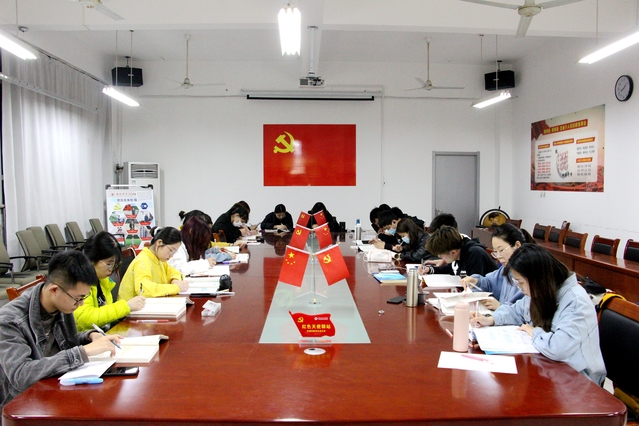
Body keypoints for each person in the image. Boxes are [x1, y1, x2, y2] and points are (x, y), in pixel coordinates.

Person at [0, 251, 122, 408]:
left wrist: (90, 336)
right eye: (78, 298)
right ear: (54, 290)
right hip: (24, 404)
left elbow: (65, 342)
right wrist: (83, 352)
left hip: (56, 388)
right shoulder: (9, 321)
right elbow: (21, 375)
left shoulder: (61, 303)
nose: (80, 304)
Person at [471, 244, 606, 385]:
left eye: (521, 283)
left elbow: (557, 348)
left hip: (578, 381)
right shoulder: (542, 290)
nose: (521, 289)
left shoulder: (576, 302)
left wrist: (534, 332)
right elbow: (516, 310)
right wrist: (491, 319)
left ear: (538, 278)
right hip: (549, 369)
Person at [74, 232, 146, 331]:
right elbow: (86, 318)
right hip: (86, 337)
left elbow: (106, 315)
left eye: (115, 264)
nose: (111, 269)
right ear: (91, 260)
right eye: (109, 264)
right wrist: (126, 306)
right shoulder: (79, 281)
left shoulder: (103, 280)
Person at [460, 224, 532, 310]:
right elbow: (490, 283)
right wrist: (476, 281)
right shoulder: (505, 269)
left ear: (517, 245)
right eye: (495, 252)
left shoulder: (528, 273)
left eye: (501, 250)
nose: (498, 256)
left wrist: (499, 306)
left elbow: (525, 311)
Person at [118, 227, 189, 300]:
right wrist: (175, 288)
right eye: (171, 250)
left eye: (174, 252)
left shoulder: (159, 260)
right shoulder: (143, 261)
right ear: (159, 243)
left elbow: (175, 272)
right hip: (132, 306)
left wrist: (175, 280)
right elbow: (144, 290)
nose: (172, 255)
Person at [424, 225, 497, 277]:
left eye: (441, 254)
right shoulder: (458, 250)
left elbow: (474, 284)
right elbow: (452, 269)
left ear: (453, 252)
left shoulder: (474, 254)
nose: (439, 256)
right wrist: (430, 270)